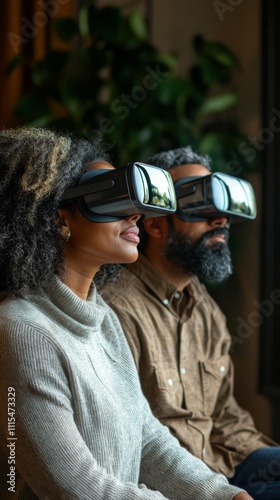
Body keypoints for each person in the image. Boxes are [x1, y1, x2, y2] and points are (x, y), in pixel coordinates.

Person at [0, 128, 251, 500]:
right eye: (114, 198)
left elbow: (148, 438)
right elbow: (76, 488)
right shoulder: (23, 330)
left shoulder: (102, 318)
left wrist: (223, 494)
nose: (136, 213)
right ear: (60, 219)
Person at [102, 146, 280, 499]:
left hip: (225, 468)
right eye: (200, 204)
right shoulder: (116, 309)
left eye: (223, 210)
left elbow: (225, 416)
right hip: (172, 486)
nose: (220, 220)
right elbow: (124, 442)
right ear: (153, 223)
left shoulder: (206, 310)